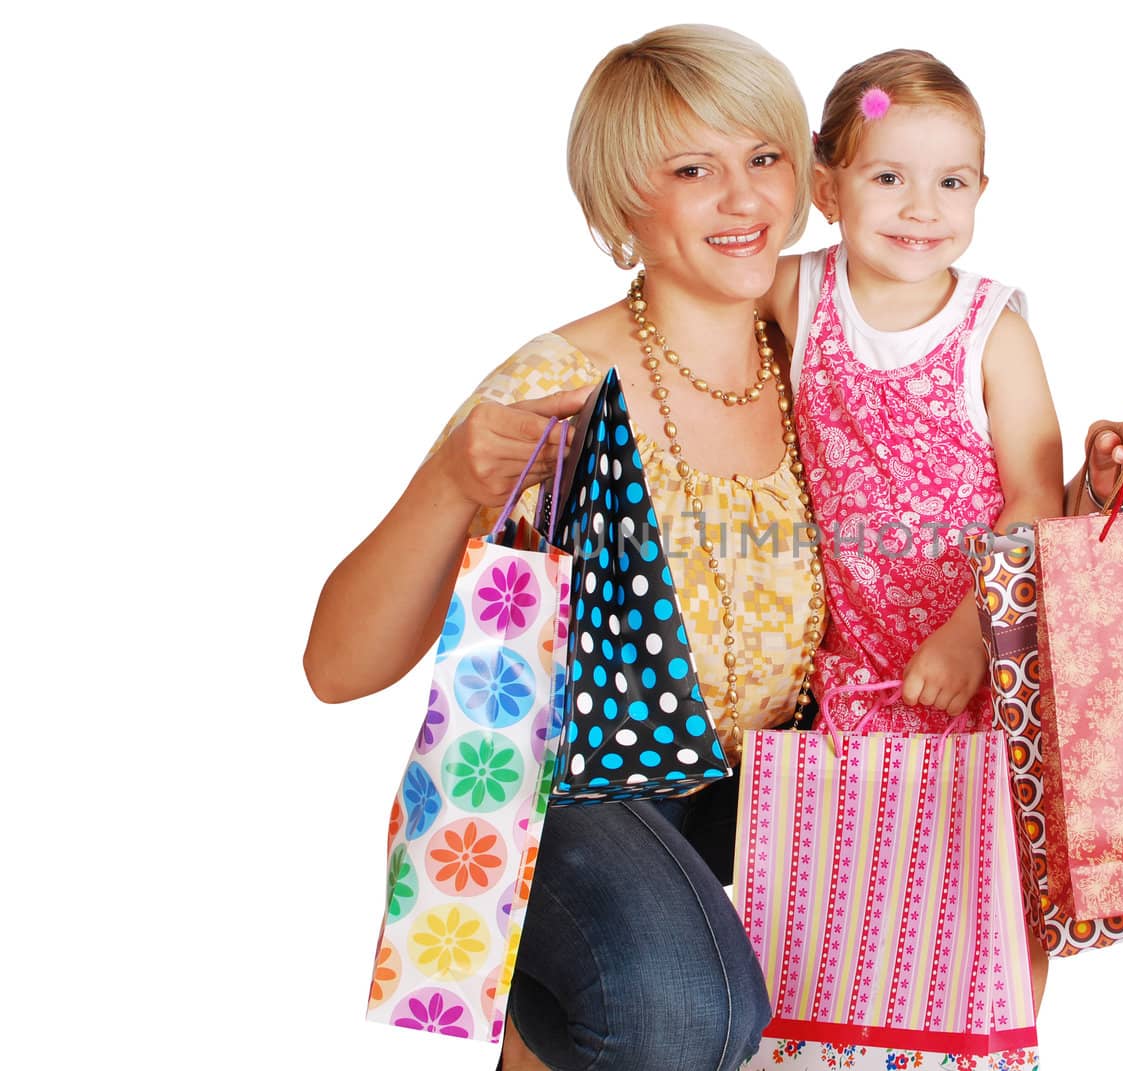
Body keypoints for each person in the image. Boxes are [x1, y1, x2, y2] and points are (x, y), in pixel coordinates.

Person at [305, 25, 818, 1071]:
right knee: (682, 1006)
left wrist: (1090, 490)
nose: (745, 199)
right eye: (693, 170)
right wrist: (454, 479)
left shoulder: (829, 351)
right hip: (581, 784)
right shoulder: (557, 387)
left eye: (764, 158)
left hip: (778, 773)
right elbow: (337, 667)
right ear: (623, 206)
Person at [756, 48, 1123, 1008]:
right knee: (844, 913)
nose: (922, 208)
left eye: (951, 181)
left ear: (983, 189)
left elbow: (1034, 499)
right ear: (826, 188)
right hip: (854, 663)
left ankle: (999, 1038)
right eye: (887, 177)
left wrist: (966, 630)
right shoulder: (797, 295)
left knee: (992, 898)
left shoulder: (994, 326)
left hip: (988, 662)